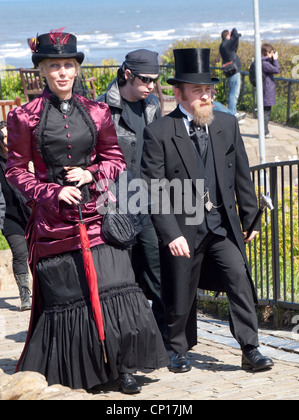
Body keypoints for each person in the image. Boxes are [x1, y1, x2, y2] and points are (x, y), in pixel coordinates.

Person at [6, 29, 168, 394]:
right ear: (43, 70)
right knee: (70, 299)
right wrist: (51, 191)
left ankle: (123, 367)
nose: (62, 72)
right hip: (52, 224)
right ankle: (85, 371)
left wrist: (91, 173)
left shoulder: (97, 111)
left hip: (98, 216)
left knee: (117, 287)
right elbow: (15, 171)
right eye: (54, 66)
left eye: (68, 65)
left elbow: (115, 159)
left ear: (76, 69)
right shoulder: (23, 117)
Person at [141, 48, 274, 374]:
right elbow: (153, 188)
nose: (206, 97)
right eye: (198, 91)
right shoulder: (159, 132)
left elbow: (241, 173)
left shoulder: (226, 124)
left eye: (209, 90)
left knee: (239, 278)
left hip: (221, 225)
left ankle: (250, 348)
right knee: (181, 290)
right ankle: (178, 349)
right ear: (179, 93)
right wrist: (170, 234)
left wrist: (250, 216)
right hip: (183, 228)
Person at [97, 50, 167, 341]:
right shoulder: (102, 108)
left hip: (148, 200)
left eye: (155, 80)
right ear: (127, 75)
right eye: (146, 80)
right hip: (114, 202)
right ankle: (126, 337)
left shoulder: (152, 105)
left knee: (157, 269)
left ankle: (165, 338)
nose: (152, 86)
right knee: (122, 275)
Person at [0, 121, 31, 311]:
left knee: (40, 254)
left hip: (32, 212)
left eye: (9, 135)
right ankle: (25, 295)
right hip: (10, 218)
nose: (7, 140)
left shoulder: (24, 156)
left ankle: (46, 291)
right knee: (21, 253)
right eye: (3, 137)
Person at [220, 28, 245, 120]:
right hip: (233, 71)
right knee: (234, 93)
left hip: (230, 71)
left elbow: (235, 42)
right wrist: (234, 31)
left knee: (232, 92)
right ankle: (232, 113)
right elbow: (235, 38)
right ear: (227, 36)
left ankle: (233, 112)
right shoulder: (226, 43)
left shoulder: (223, 45)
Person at [261, 43, 280, 138]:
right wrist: (275, 60)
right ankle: (265, 131)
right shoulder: (265, 64)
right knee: (266, 113)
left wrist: (272, 59)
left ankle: (264, 130)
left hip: (265, 90)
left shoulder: (263, 61)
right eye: (271, 52)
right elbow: (276, 70)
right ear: (267, 53)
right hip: (266, 91)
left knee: (266, 112)